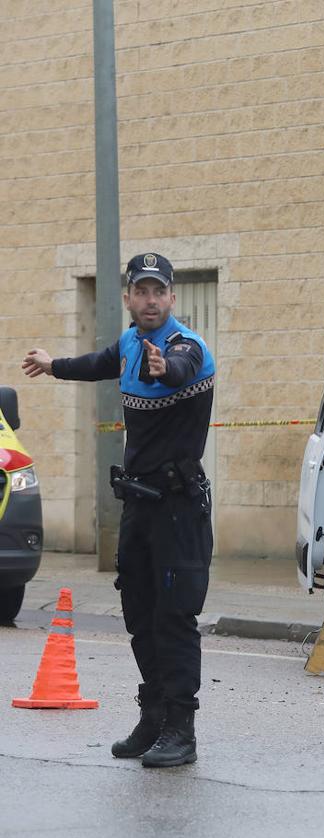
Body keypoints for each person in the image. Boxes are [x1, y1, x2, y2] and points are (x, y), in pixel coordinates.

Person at [21, 252, 215, 767]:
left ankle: (181, 729)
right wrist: (53, 364)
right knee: (140, 615)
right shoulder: (130, 342)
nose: (150, 300)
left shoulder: (185, 346)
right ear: (128, 298)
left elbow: (180, 368)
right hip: (140, 504)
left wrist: (164, 367)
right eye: (141, 291)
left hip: (178, 508)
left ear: (172, 297)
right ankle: (153, 718)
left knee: (174, 619)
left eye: (159, 291)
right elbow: (99, 363)